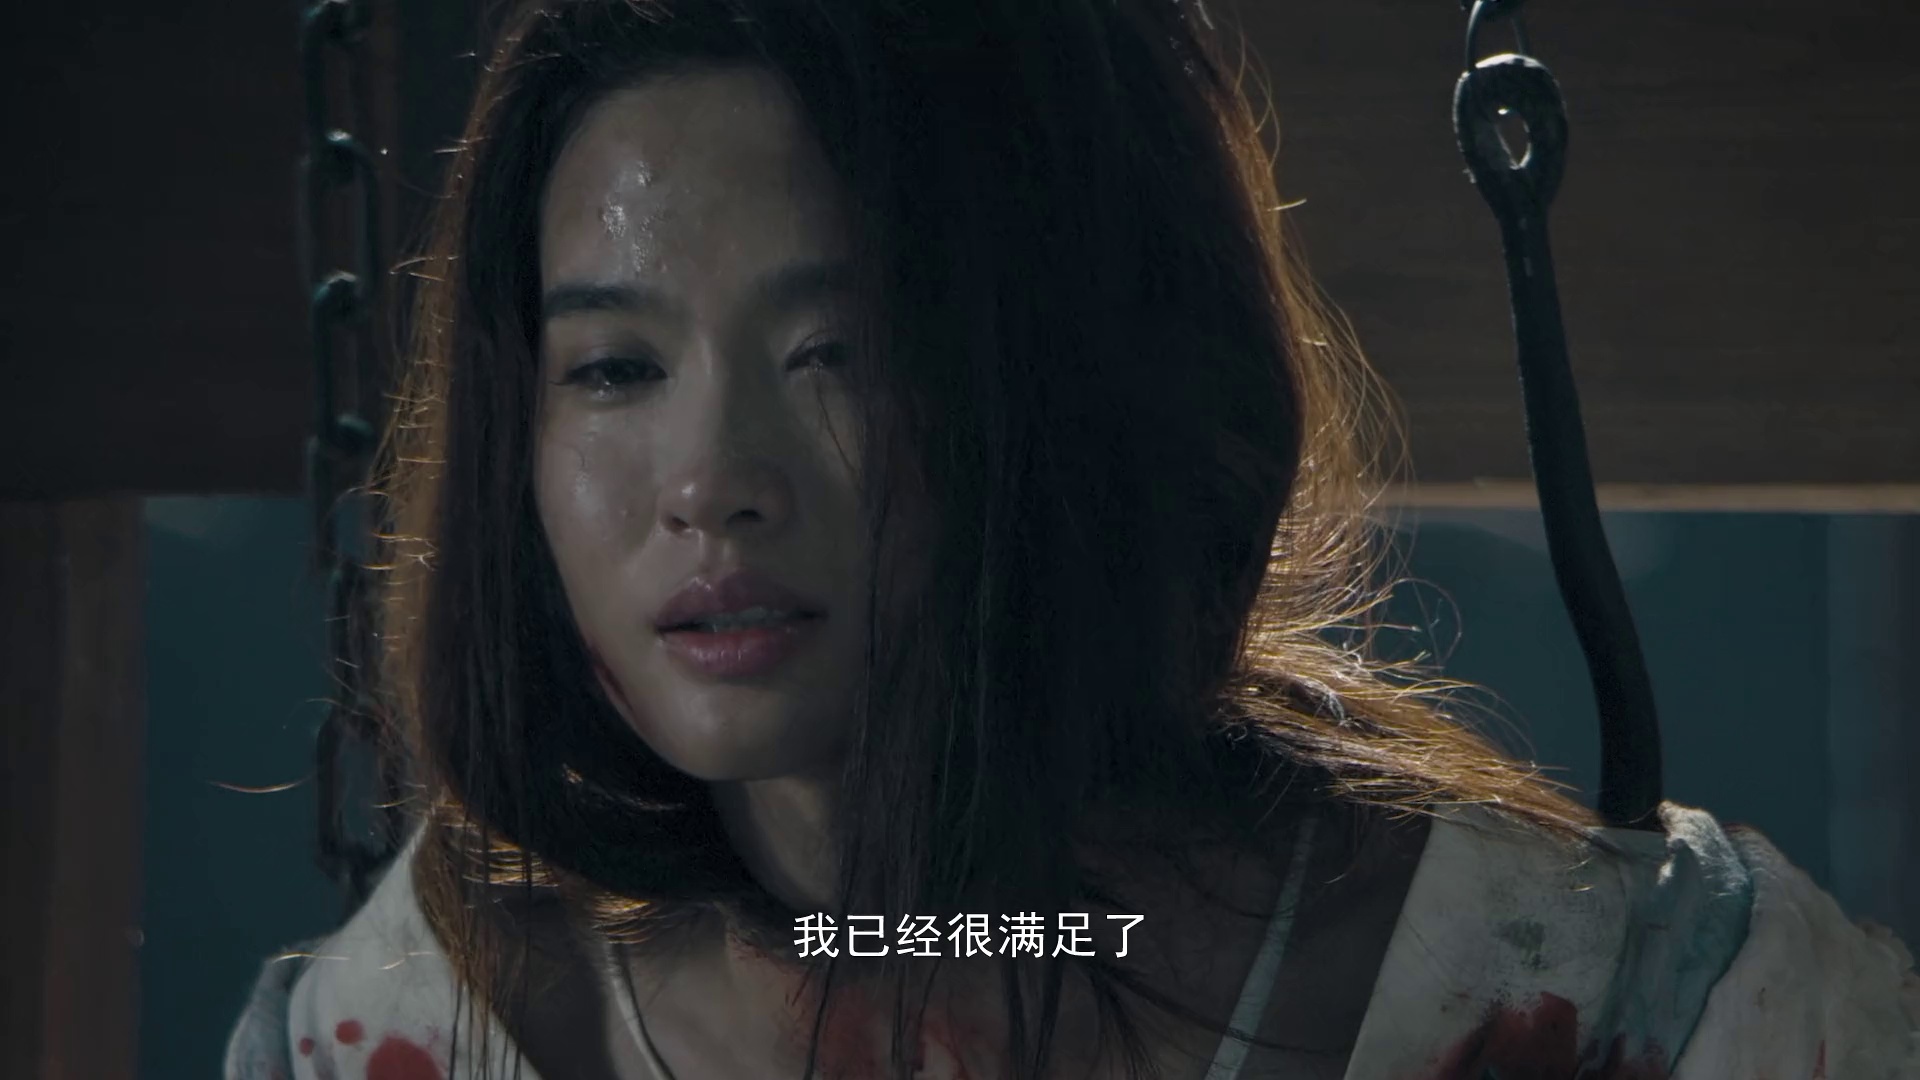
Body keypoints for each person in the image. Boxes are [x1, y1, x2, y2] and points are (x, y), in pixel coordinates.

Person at [226, 2, 1919, 1078]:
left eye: (844, 351)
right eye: (614, 369)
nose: (712, 484)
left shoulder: (1651, 1004)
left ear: (1084, 376)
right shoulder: (419, 1027)